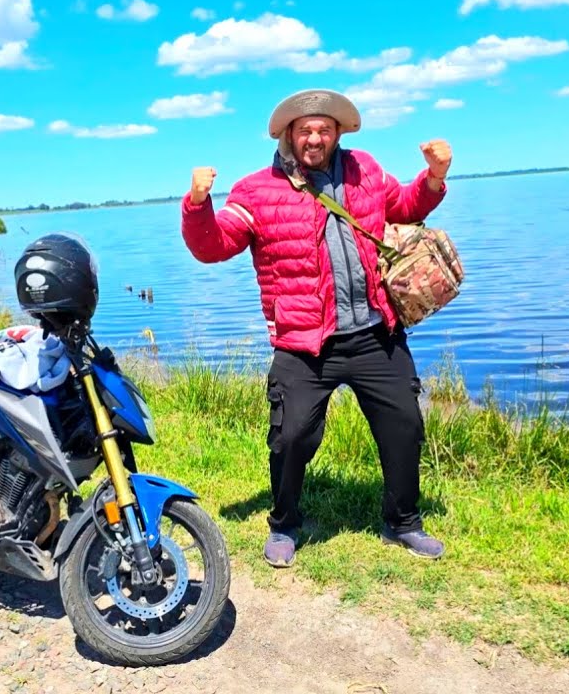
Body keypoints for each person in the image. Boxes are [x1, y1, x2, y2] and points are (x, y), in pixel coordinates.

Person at [179, 88, 452, 567]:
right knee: (291, 436)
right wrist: (198, 203)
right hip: (304, 344)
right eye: (305, 130)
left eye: (324, 129)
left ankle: (403, 523)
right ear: (288, 134)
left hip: (374, 333)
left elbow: (405, 207)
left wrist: (433, 177)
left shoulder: (364, 169)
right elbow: (213, 246)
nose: (314, 137)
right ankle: (284, 524)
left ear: (337, 134)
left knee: (405, 426)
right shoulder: (255, 191)